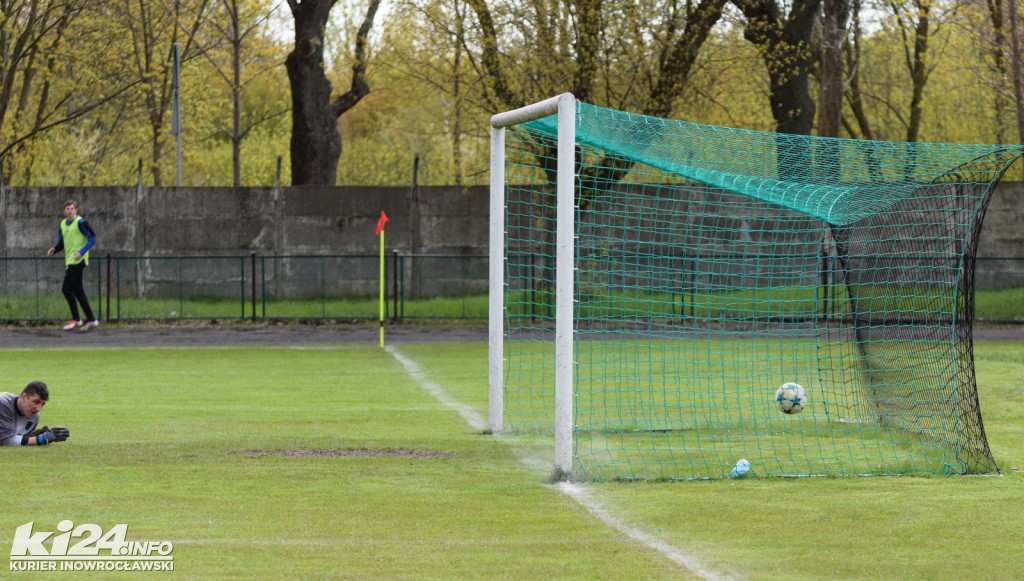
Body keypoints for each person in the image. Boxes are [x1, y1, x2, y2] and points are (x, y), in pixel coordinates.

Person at [47, 200, 99, 331]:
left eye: (72, 208)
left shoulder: (81, 222)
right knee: (78, 291)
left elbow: (92, 238)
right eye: (67, 209)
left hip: (78, 261)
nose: (69, 211)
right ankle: (92, 320)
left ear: (76, 210)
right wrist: (54, 249)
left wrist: (81, 252)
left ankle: (76, 319)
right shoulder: (63, 224)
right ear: (64, 211)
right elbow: (62, 242)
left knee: (66, 289)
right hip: (70, 261)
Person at [0, 381, 70, 446]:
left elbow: (20, 440)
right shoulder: (3, 403)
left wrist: (36, 436)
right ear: (24, 397)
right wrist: (42, 439)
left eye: (42, 404)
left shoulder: (34, 416)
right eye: (36, 402)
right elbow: (4, 440)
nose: (38, 409)